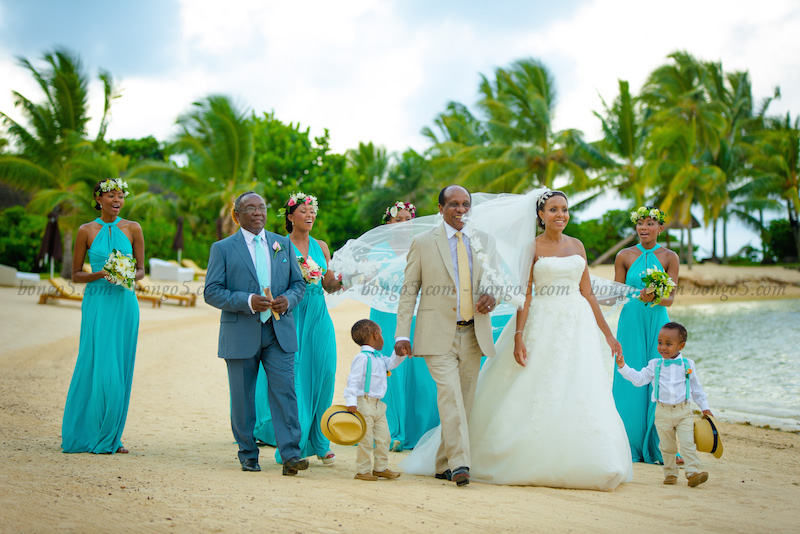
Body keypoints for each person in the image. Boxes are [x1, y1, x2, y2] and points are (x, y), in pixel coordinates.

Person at [402, 189, 633, 491]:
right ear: (540, 214)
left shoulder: (575, 245)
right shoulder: (529, 247)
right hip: (523, 324)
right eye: (553, 209)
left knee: (578, 386)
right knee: (458, 396)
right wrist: (519, 335)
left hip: (575, 327)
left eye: (564, 209)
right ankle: (459, 463)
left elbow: (586, 293)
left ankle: (447, 462)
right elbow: (524, 293)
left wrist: (609, 335)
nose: (560, 215)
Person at [395, 185, 498, 487]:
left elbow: (496, 282)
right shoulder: (423, 242)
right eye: (454, 204)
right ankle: (460, 464)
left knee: (463, 404)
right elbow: (408, 292)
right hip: (436, 334)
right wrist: (402, 333)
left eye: (466, 204)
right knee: (450, 398)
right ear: (440, 208)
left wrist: (493, 296)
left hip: (474, 333)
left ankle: (442, 462)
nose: (461, 209)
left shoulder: (485, 241)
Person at [204, 191, 308, 475]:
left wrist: (289, 299)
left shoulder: (282, 244)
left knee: (285, 392)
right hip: (241, 333)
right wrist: (247, 301)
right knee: (242, 396)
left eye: (261, 207)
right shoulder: (223, 248)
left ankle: (290, 455)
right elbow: (211, 292)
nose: (258, 213)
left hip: (279, 331)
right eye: (250, 208)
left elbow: (299, 285)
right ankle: (247, 453)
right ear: (237, 215)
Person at [253, 192, 342, 465]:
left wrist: (345, 277)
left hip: (318, 316)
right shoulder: (279, 246)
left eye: (313, 211)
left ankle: (320, 439)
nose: (310, 215)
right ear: (290, 217)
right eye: (304, 211)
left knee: (325, 373)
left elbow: (329, 285)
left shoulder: (322, 246)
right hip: (291, 315)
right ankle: (294, 442)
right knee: (295, 378)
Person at [61, 178, 144, 454]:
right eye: (111, 196)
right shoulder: (86, 230)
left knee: (119, 368)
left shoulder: (134, 229)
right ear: (98, 199)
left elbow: (141, 270)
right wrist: (102, 274)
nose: (117, 201)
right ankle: (88, 433)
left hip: (125, 304)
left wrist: (127, 274)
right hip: (97, 304)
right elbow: (75, 275)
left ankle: (111, 435)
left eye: (120, 195)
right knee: (97, 365)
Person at [368, 201, 439, 452]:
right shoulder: (377, 250)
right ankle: (389, 430)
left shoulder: (421, 246)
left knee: (421, 371)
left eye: (407, 218)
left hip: (417, 313)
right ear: (388, 223)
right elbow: (368, 279)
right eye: (397, 219)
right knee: (390, 371)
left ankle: (422, 430)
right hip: (385, 315)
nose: (403, 223)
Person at [613, 206, 680, 464]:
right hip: (630, 320)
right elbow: (616, 294)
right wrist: (633, 294)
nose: (644, 227)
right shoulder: (624, 256)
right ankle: (627, 442)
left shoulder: (669, 257)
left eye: (650, 223)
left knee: (660, 378)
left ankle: (660, 445)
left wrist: (657, 297)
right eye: (640, 223)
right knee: (628, 375)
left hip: (658, 322)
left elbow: (671, 299)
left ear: (660, 228)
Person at [615, 322, 712, 487]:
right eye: (660, 343)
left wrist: (705, 408)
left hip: (684, 411)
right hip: (662, 412)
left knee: (688, 443)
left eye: (669, 344)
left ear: (681, 345)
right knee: (667, 446)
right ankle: (670, 473)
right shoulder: (655, 365)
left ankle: (693, 472)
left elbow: (696, 389)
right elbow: (639, 380)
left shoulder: (688, 365)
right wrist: (623, 367)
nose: (663, 347)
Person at [344, 319, 406, 481]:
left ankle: (380, 467)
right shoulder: (362, 358)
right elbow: (353, 380)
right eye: (382, 335)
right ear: (376, 335)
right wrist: (351, 401)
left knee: (384, 437)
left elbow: (391, 363)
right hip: (364, 403)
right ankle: (362, 470)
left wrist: (400, 353)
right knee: (365, 439)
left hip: (379, 405)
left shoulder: (379, 358)